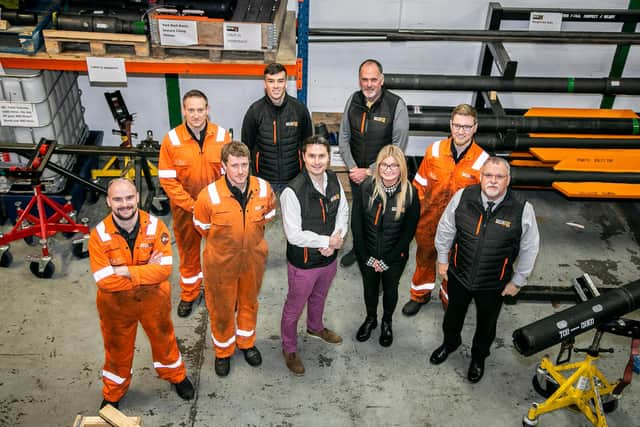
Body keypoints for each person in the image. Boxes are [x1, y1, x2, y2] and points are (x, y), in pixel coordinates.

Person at [429, 157, 539, 383]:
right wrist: (442, 258)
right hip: (460, 274)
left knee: (486, 325)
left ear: (508, 180)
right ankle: (450, 343)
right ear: (481, 177)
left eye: (499, 177)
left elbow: (530, 248)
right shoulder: (463, 197)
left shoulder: (522, 209)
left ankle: (478, 357)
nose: (493, 181)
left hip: (494, 282)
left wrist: (518, 280)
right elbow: (446, 228)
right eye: (488, 175)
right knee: (452, 316)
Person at [88, 178, 194, 409]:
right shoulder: (99, 235)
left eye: (128, 198)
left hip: (154, 303)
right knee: (117, 352)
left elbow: (164, 269)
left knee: (164, 342)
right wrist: (146, 273)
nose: (124, 204)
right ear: (108, 201)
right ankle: (113, 392)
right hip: (115, 308)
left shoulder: (156, 228)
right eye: (117, 199)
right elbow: (104, 281)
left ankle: (176, 376)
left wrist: (124, 271)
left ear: (137, 197)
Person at [193, 141, 276, 377]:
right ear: (223, 166)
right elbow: (202, 226)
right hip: (220, 263)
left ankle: (246, 343)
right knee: (221, 308)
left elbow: (268, 215)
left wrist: (248, 239)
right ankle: (223, 351)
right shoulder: (208, 196)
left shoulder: (263, 188)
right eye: (235, 165)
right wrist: (229, 245)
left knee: (249, 302)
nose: (240, 171)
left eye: (244, 165)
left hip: (253, 259)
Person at [402, 103, 489, 316]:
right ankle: (419, 295)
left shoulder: (483, 161)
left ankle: (448, 298)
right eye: (457, 125)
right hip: (428, 221)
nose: (461, 131)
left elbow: (485, 201)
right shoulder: (433, 151)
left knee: (454, 266)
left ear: (475, 128)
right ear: (450, 125)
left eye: (467, 127)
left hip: (461, 228)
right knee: (424, 259)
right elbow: (419, 186)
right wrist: (411, 218)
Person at [279, 135, 349, 375]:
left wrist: (336, 241)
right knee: (294, 306)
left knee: (319, 296)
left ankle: (315, 327)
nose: (317, 161)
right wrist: (325, 241)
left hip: (328, 258)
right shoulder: (292, 191)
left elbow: (343, 210)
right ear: (303, 157)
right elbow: (293, 235)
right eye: (312, 156)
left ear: (329, 157)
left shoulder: (333, 179)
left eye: (321, 156)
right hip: (304, 263)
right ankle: (289, 348)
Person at [158, 89, 231, 318]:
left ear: (208, 110)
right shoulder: (172, 140)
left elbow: (229, 175)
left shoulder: (222, 136)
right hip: (184, 210)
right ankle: (189, 294)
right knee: (188, 255)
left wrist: (215, 205)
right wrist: (191, 206)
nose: (196, 115)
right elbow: (167, 180)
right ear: (184, 111)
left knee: (217, 255)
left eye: (200, 110)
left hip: (215, 210)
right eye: (191, 110)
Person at [338, 58, 409, 268]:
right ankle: (358, 249)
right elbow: (343, 136)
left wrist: (370, 172)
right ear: (359, 80)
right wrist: (352, 168)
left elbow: (398, 148)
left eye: (373, 79)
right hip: (356, 175)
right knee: (358, 214)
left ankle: (378, 256)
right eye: (364, 79)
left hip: (382, 178)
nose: (368, 84)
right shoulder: (353, 100)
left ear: (382, 80)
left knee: (378, 220)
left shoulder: (396, 105)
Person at [352, 145, 419, 347]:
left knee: (390, 290)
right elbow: (357, 225)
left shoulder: (410, 193)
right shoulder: (366, 188)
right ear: (378, 166)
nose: (388, 170)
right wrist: (366, 256)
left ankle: (386, 321)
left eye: (394, 166)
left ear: (401, 168)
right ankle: (371, 318)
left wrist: (387, 260)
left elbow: (409, 232)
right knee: (370, 288)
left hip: (394, 257)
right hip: (368, 254)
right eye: (384, 165)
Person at [241, 62, 313, 193]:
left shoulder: (299, 110)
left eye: (280, 81)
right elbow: (246, 147)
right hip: (264, 180)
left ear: (286, 83)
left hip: (294, 179)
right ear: (265, 84)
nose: (276, 86)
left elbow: (308, 144)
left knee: (292, 214)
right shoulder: (255, 111)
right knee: (267, 214)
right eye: (271, 81)